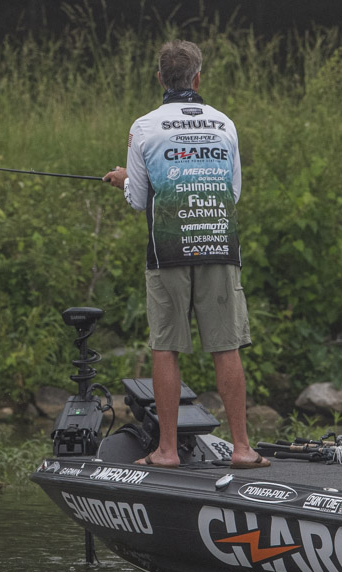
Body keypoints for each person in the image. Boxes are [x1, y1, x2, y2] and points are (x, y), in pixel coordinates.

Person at [103, 40, 269, 470]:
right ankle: (242, 448)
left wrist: (123, 180)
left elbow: (138, 199)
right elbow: (233, 192)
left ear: (160, 78)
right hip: (218, 243)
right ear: (197, 79)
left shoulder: (144, 127)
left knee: (166, 347)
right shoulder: (225, 123)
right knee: (226, 346)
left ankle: (167, 451)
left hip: (169, 248)